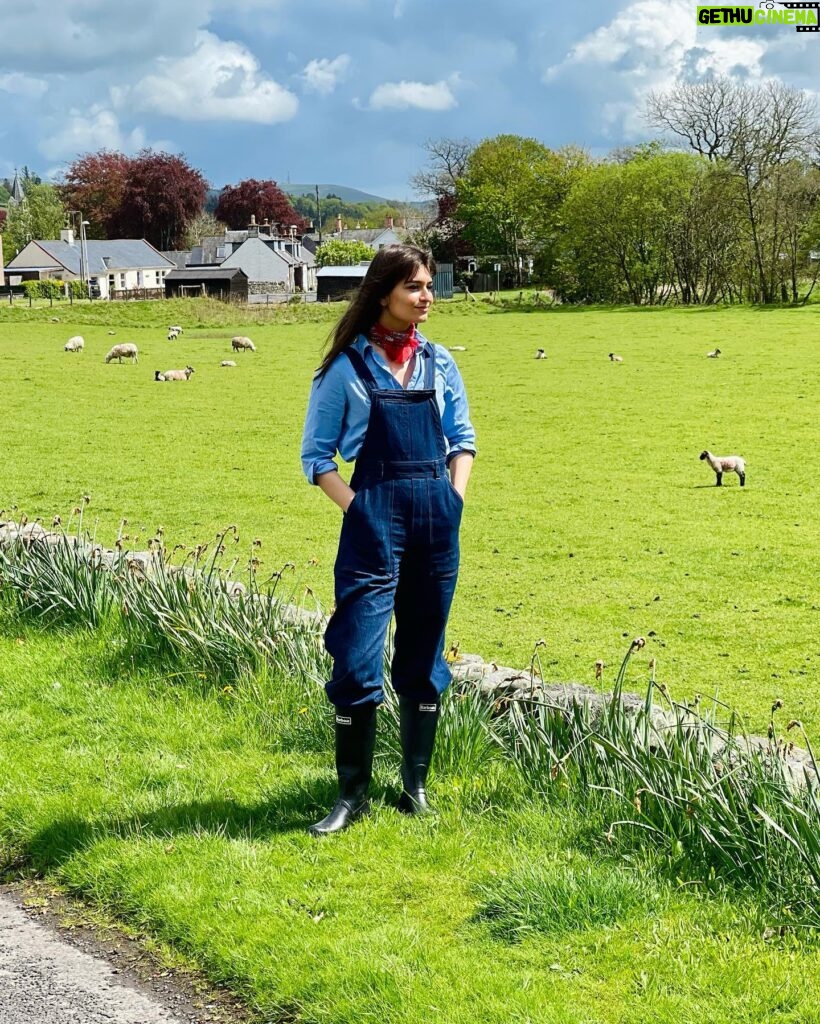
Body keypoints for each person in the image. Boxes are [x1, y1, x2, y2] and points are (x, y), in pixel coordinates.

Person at [300, 244, 476, 836]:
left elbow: (462, 438)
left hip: (435, 520)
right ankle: (351, 795)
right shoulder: (343, 370)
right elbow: (317, 458)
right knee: (355, 658)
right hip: (373, 522)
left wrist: (454, 497)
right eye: (416, 288)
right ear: (383, 293)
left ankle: (415, 787)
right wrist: (360, 511)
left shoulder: (440, 362)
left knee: (425, 658)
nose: (427, 297)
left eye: (428, 287)